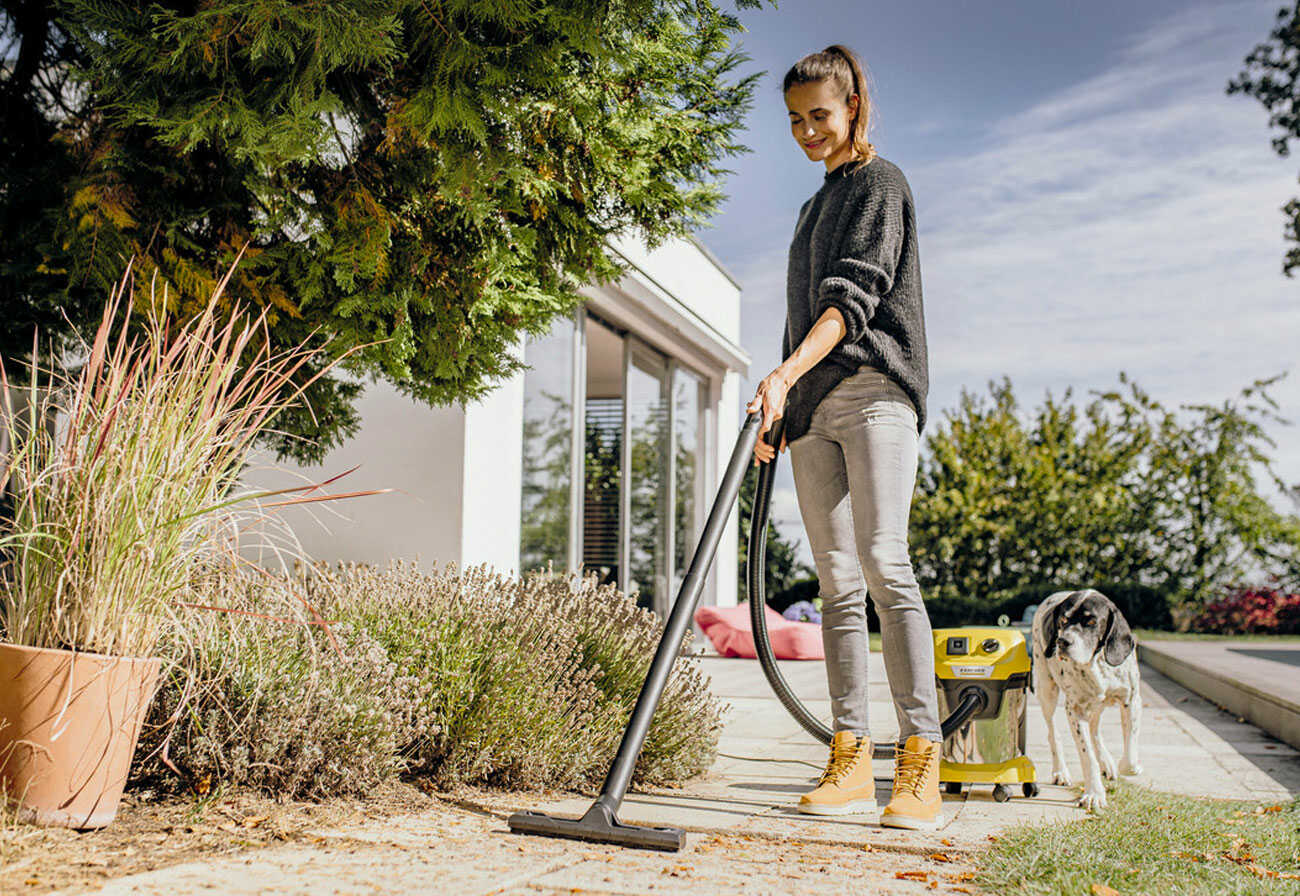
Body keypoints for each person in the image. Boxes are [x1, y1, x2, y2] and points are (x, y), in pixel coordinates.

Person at [745, 44, 944, 831]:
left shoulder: (880, 185)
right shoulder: (810, 209)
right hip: (814, 410)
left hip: (873, 395)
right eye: (794, 121)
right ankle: (852, 757)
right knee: (834, 582)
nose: (806, 132)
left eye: (818, 116)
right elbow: (803, 316)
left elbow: (849, 303)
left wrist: (787, 373)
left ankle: (923, 761)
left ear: (853, 104)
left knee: (883, 562)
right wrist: (783, 408)